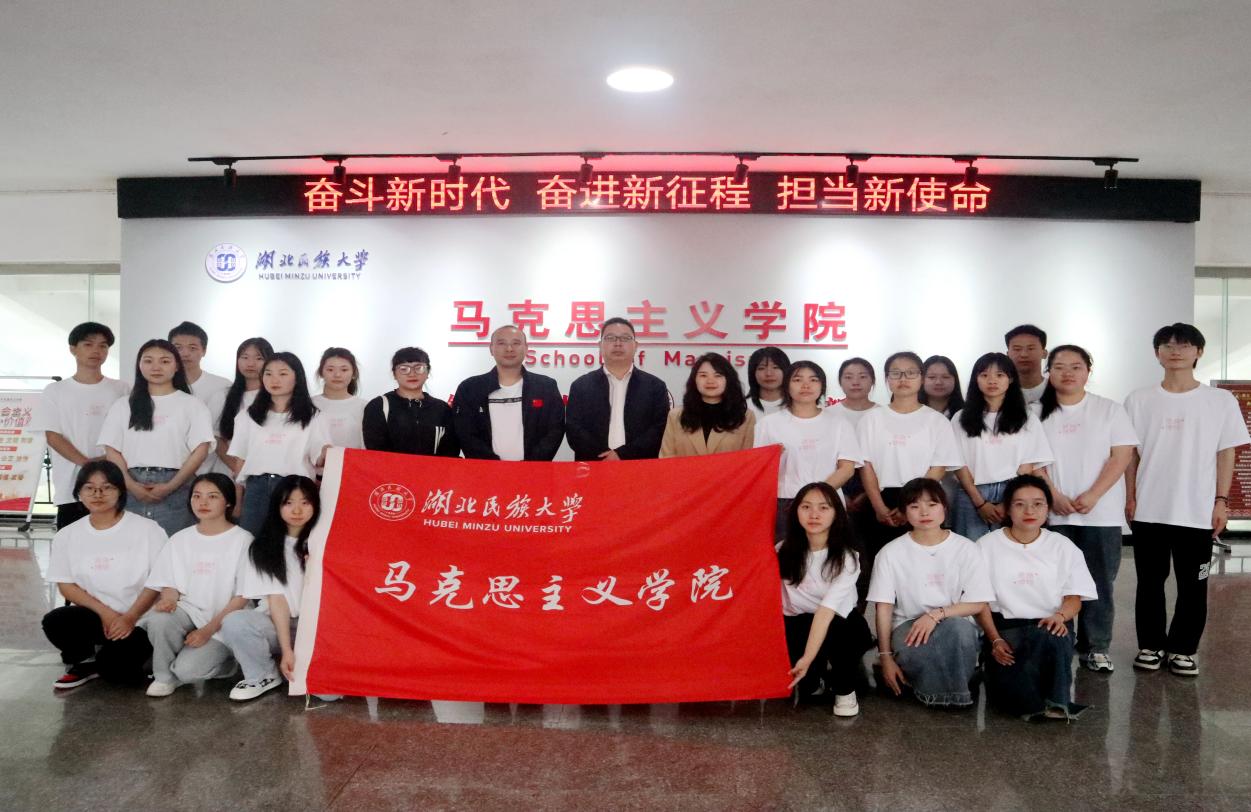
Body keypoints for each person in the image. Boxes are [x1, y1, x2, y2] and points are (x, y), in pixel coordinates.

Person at [1124, 323, 1251, 676]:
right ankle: (1150, 645)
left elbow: (1226, 452)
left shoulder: (1219, 401)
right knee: (1149, 583)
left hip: (1197, 510)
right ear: (1157, 353)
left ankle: (1183, 649)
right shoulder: (1139, 399)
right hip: (1150, 508)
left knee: (1193, 584)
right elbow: (1130, 454)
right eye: (1167, 345)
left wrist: (1221, 500)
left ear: (1199, 352)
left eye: (1184, 345)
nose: (1175, 351)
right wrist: (1130, 496)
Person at [1035, 345, 1137, 672]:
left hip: (1101, 514)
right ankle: (1059, 641)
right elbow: (1032, 459)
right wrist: (1053, 495)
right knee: (1054, 583)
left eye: (1076, 367)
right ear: (1048, 372)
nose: (1067, 373)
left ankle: (1096, 646)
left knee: (1099, 582)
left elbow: (1121, 456)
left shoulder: (1109, 410)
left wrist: (1093, 495)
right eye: (1059, 367)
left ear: (1088, 372)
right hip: (1052, 513)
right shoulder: (1035, 412)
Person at [976, 475, 1098, 720]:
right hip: (1005, 631)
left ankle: (1057, 704)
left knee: (1051, 637)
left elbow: (1074, 597)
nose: (1029, 511)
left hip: (1050, 626)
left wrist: (1060, 616)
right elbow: (979, 602)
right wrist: (995, 640)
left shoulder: (1062, 546)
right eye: (1020, 504)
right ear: (1007, 509)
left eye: (1038, 504)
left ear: (1048, 507)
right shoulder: (986, 546)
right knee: (1012, 701)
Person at [867, 477, 994, 708]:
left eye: (932, 504)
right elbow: (883, 608)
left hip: (954, 623)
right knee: (928, 646)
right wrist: (885, 657)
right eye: (914, 506)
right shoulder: (890, 553)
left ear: (944, 507)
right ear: (904, 512)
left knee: (956, 631)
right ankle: (958, 691)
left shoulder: (966, 548)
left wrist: (935, 615)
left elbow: (977, 602)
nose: (924, 512)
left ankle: (932, 690)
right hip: (907, 627)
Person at [41, 460, 166, 689]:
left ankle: (140, 658)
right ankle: (85, 662)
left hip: (140, 620)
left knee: (116, 672)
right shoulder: (67, 535)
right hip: (98, 617)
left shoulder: (148, 530)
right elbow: (66, 585)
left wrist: (129, 618)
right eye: (89, 488)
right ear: (79, 493)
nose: (98, 494)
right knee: (56, 621)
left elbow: (159, 582)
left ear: (120, 491)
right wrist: (106, 614)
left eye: (107, 487)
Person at [854, 351, 963, 597]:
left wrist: (911, 505)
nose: (903, 379)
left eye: (911, 373)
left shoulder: (936, 421)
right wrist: (879, 507)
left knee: (923, 568)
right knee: (882, 568)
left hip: (924, 500)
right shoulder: (872, 419)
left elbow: (938, 467)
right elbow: (865, 466)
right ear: (886, 379)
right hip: (881, 502)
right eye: (896, 373)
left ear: (921, 378)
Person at [141, 472, 251, 696]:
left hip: (225, 620)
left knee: (188, 671)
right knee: (159, 619)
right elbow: (168, 582)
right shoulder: (180, 539)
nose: (203, 502)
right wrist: (169, 600)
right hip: (188, 612)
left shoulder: (243, 540)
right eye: (197, 496)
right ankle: (164, 677)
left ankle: (227, 662)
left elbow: (243, 596)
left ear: (228, 501)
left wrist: (208, 630)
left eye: (212, 496)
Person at [98, 339, 214, 535]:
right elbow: (112, 449)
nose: (156, 367)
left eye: (165, 361)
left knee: (172, 545)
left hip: (177, 485)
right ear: (139, 365)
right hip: (131, 484)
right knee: (133, 545)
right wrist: (131, 485)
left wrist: (171, 485)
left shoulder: (192, 404)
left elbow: (201, 450)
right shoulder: (123, 404)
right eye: (148, 361)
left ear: (176, 366)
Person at [221, 475, 319, 701]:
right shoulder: (263, 547)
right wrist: (287, 650)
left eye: (305, 502)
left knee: (329, 695)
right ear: (277, 506)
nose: (297, 510)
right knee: (236, 622)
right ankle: (262, 675)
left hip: (317, 628)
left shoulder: (324, 542)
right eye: (288, 503)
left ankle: (305, 667)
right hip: (278, 624)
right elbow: (277, 600)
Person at [780, 482, 874, 716]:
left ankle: (845, 689)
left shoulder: (847, 557)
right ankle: (817, 678)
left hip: (839, 624)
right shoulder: (781, 551)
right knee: (808, 688)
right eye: (806, 507)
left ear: (836, 514)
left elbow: (825, 613)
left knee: (843, 632)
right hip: (798, 624)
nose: (814, 514)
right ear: (796, 512)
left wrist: (807, 658)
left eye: (823, 508)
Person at [31, 322, 129, 528]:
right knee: (72, 541)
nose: (96, 350)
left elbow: (128, 433)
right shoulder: (55, 391)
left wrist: (106, 462)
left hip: (114, 480)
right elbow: (53, 436)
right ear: (73, 349)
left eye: (103, 346)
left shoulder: (121, 389)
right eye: (88, 344)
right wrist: (87, 464)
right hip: (71, 485)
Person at [951, 352, 1053, 540]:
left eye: (999, 375)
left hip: (1013, 491)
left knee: (1010, 546)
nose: (992, 381)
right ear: (976, 379)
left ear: (1011, 379)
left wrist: (1008, 502)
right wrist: (980, 503)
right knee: (970, 549)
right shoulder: (960, 417)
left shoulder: (1026, 417)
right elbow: (958, 464)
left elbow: (1027, 465)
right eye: (984, 375)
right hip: (972, 492)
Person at [227, 352, 332, 535]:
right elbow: (240, 461)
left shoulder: (314, 417)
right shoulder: (248, 416)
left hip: (294, 490)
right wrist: (238, 501)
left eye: (283, 373)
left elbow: (320, 458)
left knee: (290, 542)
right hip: (256, 487)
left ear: (297, 378)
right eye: (268, 373)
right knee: (251, 540)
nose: (274, 380)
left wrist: (328, 452)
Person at [755, 361, 861, 540]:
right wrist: (773, 458)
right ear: (786, 385)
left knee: (830, 554)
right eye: (797, 380)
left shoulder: (839, 423)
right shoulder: (768, 424)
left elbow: (847, 468)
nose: (806, 385)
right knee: (786, 553)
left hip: (827, 500)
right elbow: (759, 470)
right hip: (784, 502)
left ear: (822, 386)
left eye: (813, 380)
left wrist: (818, 495)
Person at [452, 325, 565, 461]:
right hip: (484, 470)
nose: (509, 349)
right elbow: (465, 433)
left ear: (526, 348)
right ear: (491, 349)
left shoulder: (546, 387)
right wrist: (493, 466)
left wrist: (531, 464)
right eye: (502, 343)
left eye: (516, 343)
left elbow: (555, 430)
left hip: (534, 470)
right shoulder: (470, 388)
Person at [565, 318, 671, 461]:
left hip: (640, 466)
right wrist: (604, 456)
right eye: (610, 338)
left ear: (636, 346)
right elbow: (574, 429)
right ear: (600, 345)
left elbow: (660, 428)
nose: (618, 343)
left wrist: (622, 454)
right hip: (593, 466)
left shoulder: (655, 386)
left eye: (625, 338)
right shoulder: (581, 385)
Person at [362, 347, 459, 457]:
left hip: (433, 468)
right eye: (404, 369)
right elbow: (375, 452)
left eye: (419, 368)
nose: (412, 374)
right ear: (394, 374)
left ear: (428, 372)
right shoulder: (378, 406)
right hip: (389, 468)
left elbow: (450, 452)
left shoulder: (442, 409)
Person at [659, 353, 755, 457]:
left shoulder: (745, 417)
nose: (710, 381)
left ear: (728, 380)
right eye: (703, 375)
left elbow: (749, 460)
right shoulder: (676, 415)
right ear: (694, 380)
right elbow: (666, 458)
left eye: (718, 375)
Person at [169, 321, 233, 475]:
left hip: (211, 472)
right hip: (170, 468)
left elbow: (224, 433)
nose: (185, 353)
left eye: (192, 348)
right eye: (178, 347)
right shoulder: (161, 386)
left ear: (204, 351)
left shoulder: (223, 386)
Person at [208, 337, 274, 476]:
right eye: (244, 357)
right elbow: (216, 438)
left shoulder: (276, 397)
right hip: (228, 473)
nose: (250, 363)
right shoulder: (223, 395)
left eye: (259, 358)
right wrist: (237, 469)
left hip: (265, 472)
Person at [829, 357, 878, 521]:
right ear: (840, 382)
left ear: (873, 381)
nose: (855, 382)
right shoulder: (827, 414)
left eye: (863, 377)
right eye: (848, 377)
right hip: (835, 484)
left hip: (877, 487)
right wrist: (839, 491)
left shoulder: (883, 414)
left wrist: (867, 493)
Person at [919, 355, 965, 510]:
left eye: (946, 377)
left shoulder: (965, 415)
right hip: (918, 486)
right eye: (931, 377)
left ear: (955, 380)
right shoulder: (910, 414)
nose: (938, 382)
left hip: (958, 487)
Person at [312, 347, 366, 453]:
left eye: (344, 370)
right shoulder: (309, 405)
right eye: (330, 370)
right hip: (314, 464)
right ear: (321, 373)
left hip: (352, 463)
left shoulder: (365, 407)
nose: (337, 375)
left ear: (354, 373)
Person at [1005, 324, 1048, 404]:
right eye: (1017, 349)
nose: (1024, 354)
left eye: (1031, 348)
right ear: (1008, 355)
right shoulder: (998, 391)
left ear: (1044, 353)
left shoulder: (1058, 389)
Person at [746, 347, 791, 421]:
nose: (769, 373)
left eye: (775, 367)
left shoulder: (797, 405)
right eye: (761, 368)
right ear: (753, 373)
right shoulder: (742, 407)